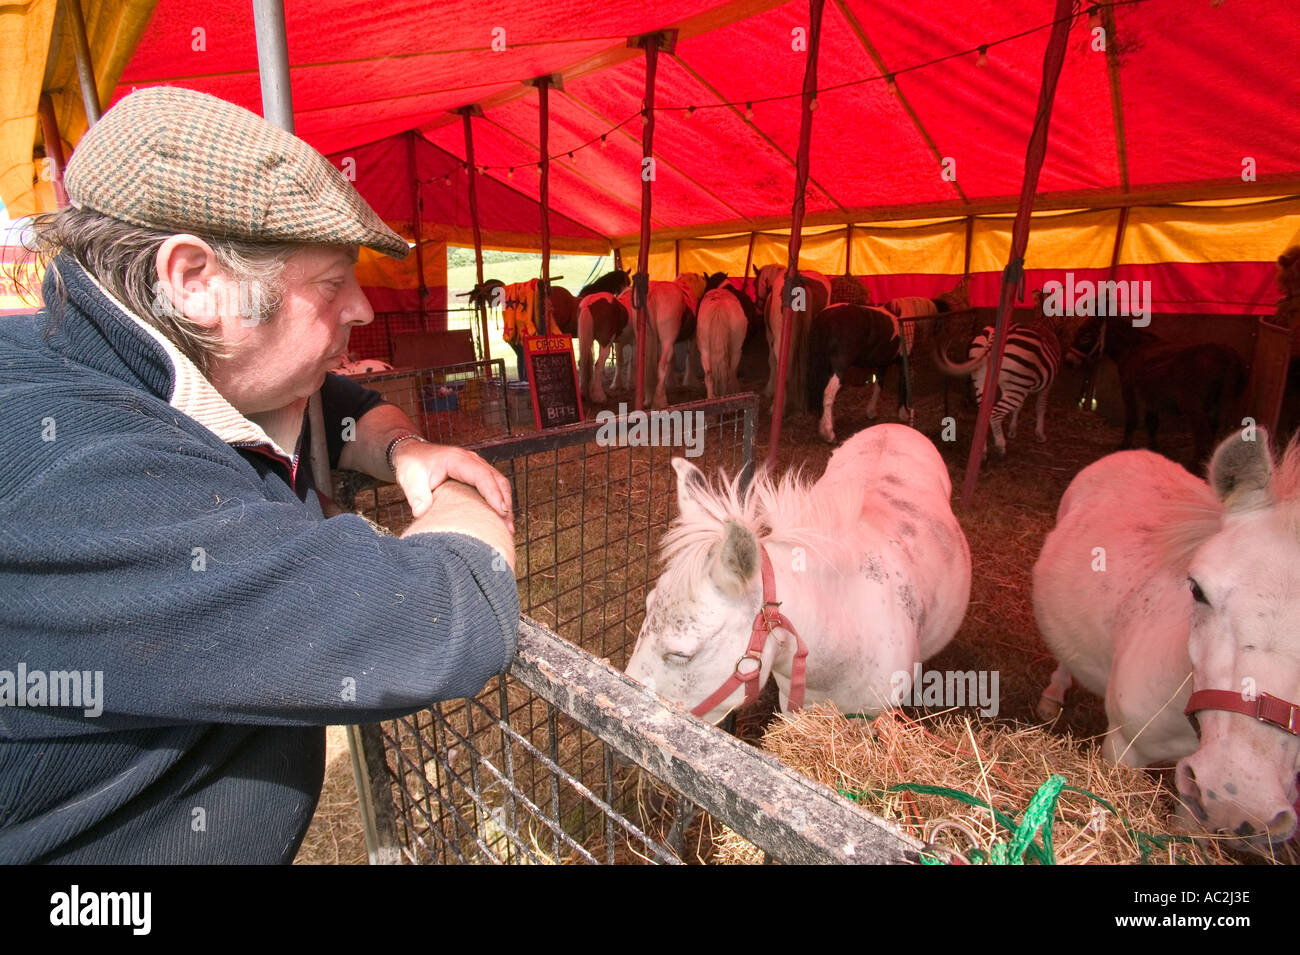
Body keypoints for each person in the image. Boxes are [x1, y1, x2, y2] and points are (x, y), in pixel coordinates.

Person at [0, 87, 519, 863]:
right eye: (331, 282)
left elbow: (320, 395)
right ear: (196, 280)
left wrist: (401, 446)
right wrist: (459, 499)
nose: (363, 309)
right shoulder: (89, 481)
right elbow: (448, 608)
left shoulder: (65, 348)